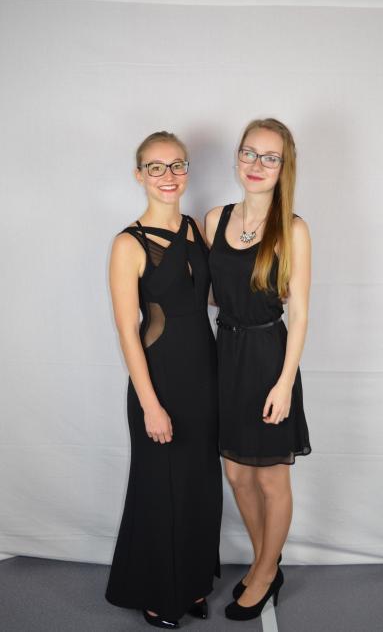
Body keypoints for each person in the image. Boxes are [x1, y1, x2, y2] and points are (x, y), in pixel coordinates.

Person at [105, 131, 223, 629]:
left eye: (177, 165)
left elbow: (208, 297)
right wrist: (150, 404)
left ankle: (191, 582)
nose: (168, 176)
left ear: (187, 171)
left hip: (205, 375)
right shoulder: (127, 244)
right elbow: (127, 330)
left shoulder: (196, 228)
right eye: (155, 167)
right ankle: (155, 592)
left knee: (199, 484)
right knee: (159, 487)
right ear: (140, 175)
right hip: (159, 381)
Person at [205, 117, 312, 621]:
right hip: (226, 354)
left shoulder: (293, 229)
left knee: (271, 479)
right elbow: (214, 293)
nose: (256, 164)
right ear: (238, 156)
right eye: (249, 152)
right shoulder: (214, 219)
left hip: (269, 358)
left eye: (270, 157)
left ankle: (267, 573)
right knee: (236, 473)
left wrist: (285, 383)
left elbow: (301, 313)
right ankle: (264, 559)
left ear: (283, 167)